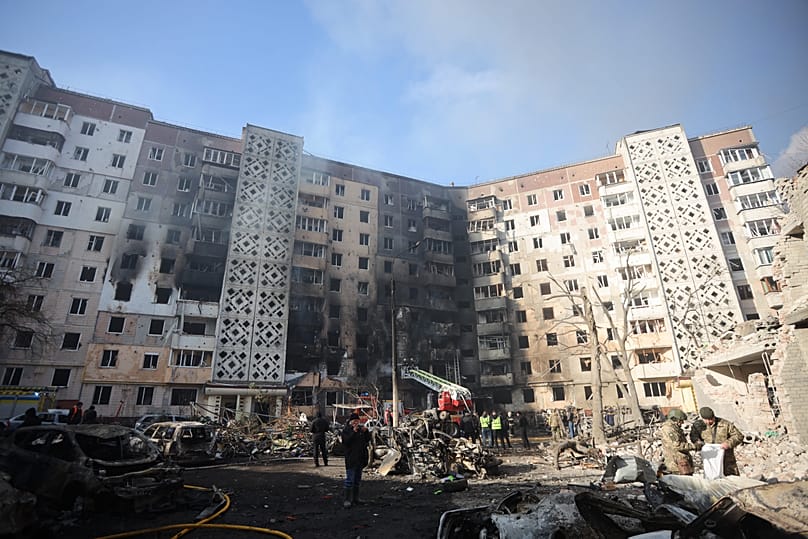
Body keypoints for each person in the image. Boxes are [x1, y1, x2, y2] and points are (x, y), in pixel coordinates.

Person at [691, 406, 744, 476]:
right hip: (710, 459)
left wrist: (728, 443)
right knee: (713, 478)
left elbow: (739, 436)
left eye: (711, 419)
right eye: (706, 420)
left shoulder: (725, 424)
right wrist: (698, 442)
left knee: (732, 479)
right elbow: (693, 436)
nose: (708, 422)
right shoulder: (697, 425)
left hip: (726, 458)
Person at [342, 413, 371, 508]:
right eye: (354, 421)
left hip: (360, 458)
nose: (356, 423)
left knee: (357, 480)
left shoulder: (361, 430)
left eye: (357, 421)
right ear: (350, 422)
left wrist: (366, 432)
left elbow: (367, 440)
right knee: (349, 480)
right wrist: (353, 432)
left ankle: (355, 498)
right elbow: (346, 442)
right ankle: (347, 499)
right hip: (351, 458)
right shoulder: (346, 431)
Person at [658, 409, 695, 475]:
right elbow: (677, 446)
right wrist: (693, 446)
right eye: (681, 421)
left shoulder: (675, 428)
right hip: (676, 465)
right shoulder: (669, 429)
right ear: (675, 419)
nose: (682, 423)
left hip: (682, 462)